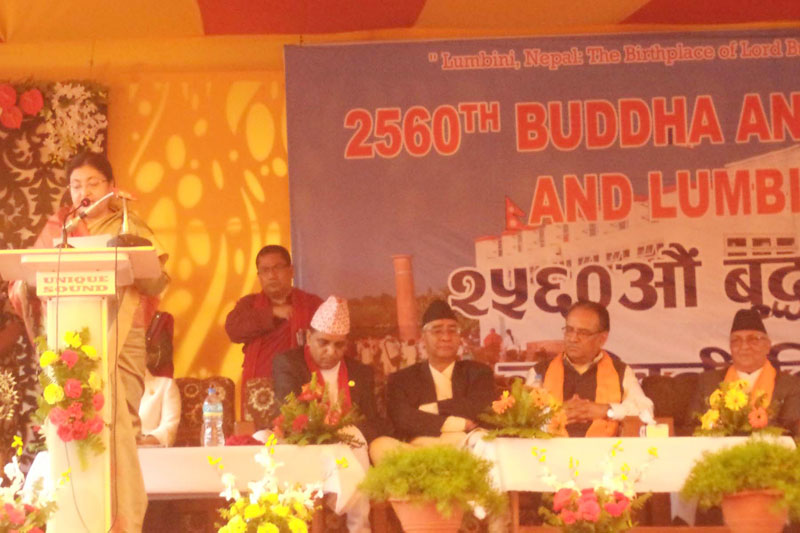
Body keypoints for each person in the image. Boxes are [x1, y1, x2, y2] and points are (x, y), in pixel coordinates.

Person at [9, 150, 169, 531]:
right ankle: (72, 521)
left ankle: (122, 520)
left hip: (122, 336)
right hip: (70, 342)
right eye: (76, 185)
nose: (84, 191)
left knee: (118, 426)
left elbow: (156, 281)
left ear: (111, 187)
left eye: (93, 183)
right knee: (70, 426)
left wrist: (130, 255)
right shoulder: (59, 228)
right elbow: (29, 276)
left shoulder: (130, 223)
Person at [271, 296, 387, 533]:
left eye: (339, 345)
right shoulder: (288, 363)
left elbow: (370, 420)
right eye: (323, 342)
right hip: (303, 442)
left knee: (353, 437)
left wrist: (345, 433)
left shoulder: (360, 372)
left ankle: (359, 526)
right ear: (308, 337)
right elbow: (290, 410)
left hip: (349, 448)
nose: (331, 351)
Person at [526, 300, 653, 437]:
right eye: (569, 330)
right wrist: (555, 413)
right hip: (549, 454)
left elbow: (646, 411)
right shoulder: (540, 371)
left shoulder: (620, 371)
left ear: (602, 338)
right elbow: (522, 416)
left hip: (606, 455)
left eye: (583, 333)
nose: (573, 338)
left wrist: (607, 410)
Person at [225, 245, 322, 411]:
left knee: (299, 435)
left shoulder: (312, 305)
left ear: (291, 271)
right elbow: (233, 330)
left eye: (278, 268)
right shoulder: (249, 304)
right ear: (259, 276)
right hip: (259, 392)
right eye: (265, 270)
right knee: (263, 438)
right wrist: (271, 313)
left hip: (301, 388)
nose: (271, 275)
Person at [386, 300, 496, 446]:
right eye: (437, 331)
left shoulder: (479, 372)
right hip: (422, 450)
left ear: (459, 337)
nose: (446, 337)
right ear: (423, 338)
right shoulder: (403, 379)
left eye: (452, 330)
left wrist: (432, 408)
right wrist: (458, 424)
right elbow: (403, 419)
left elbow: (479, 408)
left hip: (471, 445)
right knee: (381, 445)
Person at [688, 308, 800, 435]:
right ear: (730, 347)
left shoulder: (791, 385)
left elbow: (793, 433)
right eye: (736, 340)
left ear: (767, 346)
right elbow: (692, 428)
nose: (744, 346)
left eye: (753, 339)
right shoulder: (707, 382)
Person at [138, 342, 180, 447]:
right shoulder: (111, 388)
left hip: (149, 453)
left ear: (146, 357)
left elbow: (169, 430)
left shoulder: (165, 385)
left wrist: (140, 442)